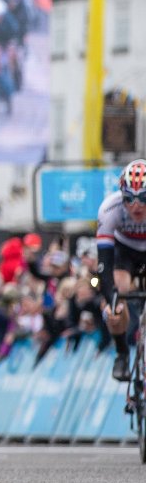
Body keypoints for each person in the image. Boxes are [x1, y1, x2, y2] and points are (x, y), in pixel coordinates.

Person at [98, 160, 146, 381]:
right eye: (129, 198)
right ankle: (121, 353)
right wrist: (111, 300)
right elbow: (104, 265)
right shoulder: (110, 209)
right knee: (117, 297)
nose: (136, 206)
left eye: (143, 198)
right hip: (123, 250)